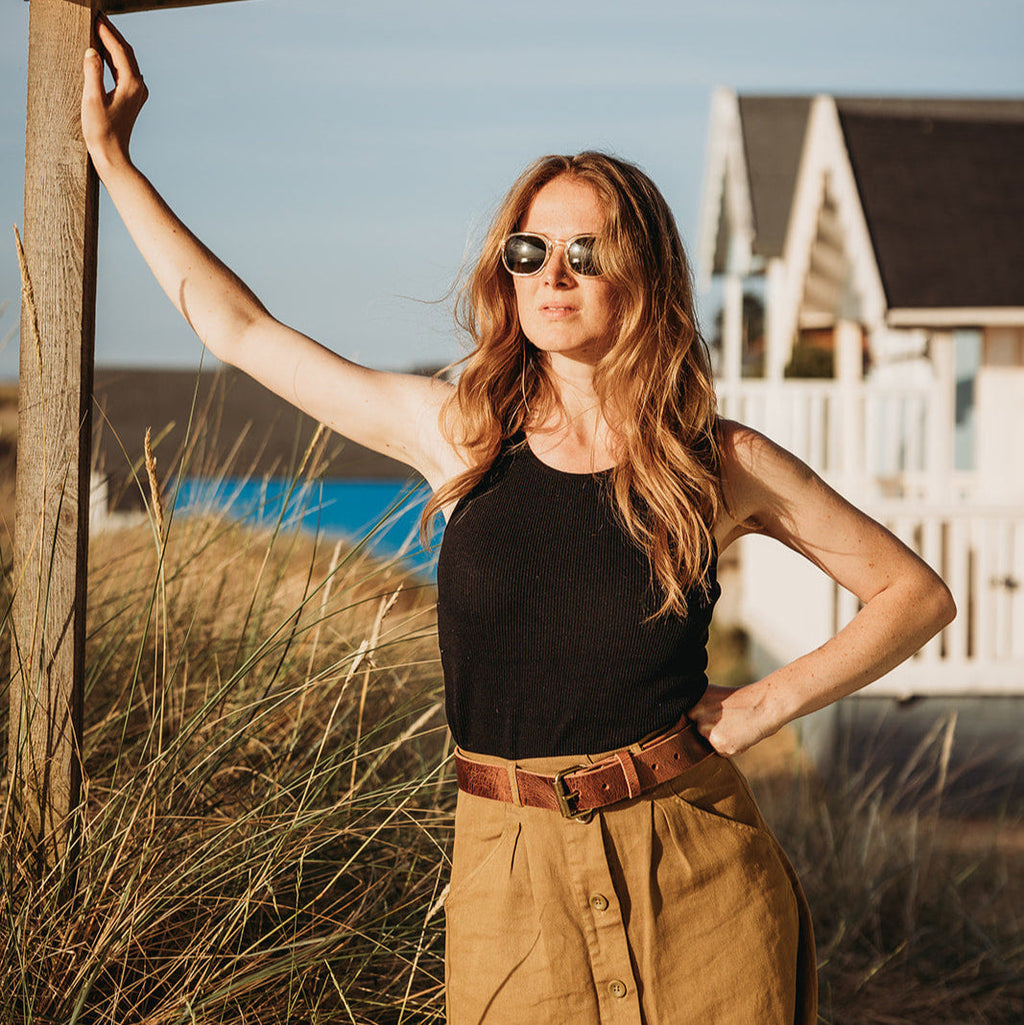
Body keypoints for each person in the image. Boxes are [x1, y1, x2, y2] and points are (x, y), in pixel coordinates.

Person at [81, 16, 956, 1024]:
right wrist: (114, 159)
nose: (552, 274)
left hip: (697, 869)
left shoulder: (713, 460)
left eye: (586, 251)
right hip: (508, 873)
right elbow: (237, 329)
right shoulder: (461, 433)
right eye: (530, 250)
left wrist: (761, 707)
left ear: (644, 271)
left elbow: (913, 594)